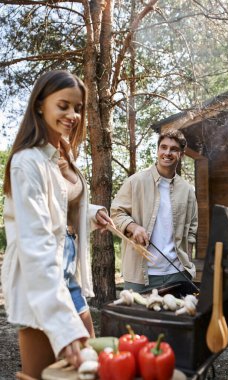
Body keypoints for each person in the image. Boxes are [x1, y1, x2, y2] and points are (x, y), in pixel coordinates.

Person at [1, 70, 113, 378]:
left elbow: (60, 206)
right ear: (40, 104)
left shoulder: (64, 151)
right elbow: (35, 243)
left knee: (85, 370)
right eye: (63, 105)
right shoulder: (27, 162)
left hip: (69, 271)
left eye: (77, 108)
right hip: (41, 275)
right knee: (42, 375)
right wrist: (63, 330)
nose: (73, 115)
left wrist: (91, 215)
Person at [111, 129, 198, 292]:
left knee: (178, 318)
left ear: (181, 154)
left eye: (173, 149)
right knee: (137, 318)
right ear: (157, 151)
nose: (167, 152)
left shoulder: (187, 190)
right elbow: (116, 213)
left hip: (178, 273)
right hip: (140, 275)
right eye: (163, 147)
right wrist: (133, 227)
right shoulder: (135, 181)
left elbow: (192, 229)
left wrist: (188, 260)